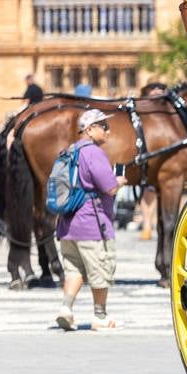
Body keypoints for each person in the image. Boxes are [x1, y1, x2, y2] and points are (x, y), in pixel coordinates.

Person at [55, 109, 126, 331]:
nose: (108, 130)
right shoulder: (93, 153)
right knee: (100, 271)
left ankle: (66, 309)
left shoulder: (70, 151)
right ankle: (100, 316)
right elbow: (110, 187)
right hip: (92, 224)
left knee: (73, 270)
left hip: (67, 225)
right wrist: (120, 180)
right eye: (103, 126)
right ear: (89, 129)